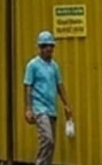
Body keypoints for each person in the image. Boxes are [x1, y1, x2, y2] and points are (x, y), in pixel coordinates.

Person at [24, 31, 73, 165]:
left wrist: (67, 105)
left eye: (51, 46)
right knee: (47, 139)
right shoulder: (33, 65)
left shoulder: (54, 66)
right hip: (39, 109)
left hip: (52, 109)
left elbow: (60, 86)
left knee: (51, 145)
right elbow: (28, 86)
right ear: (40, 47)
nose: (49, 49)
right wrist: (28, 108)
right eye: (46, 46)